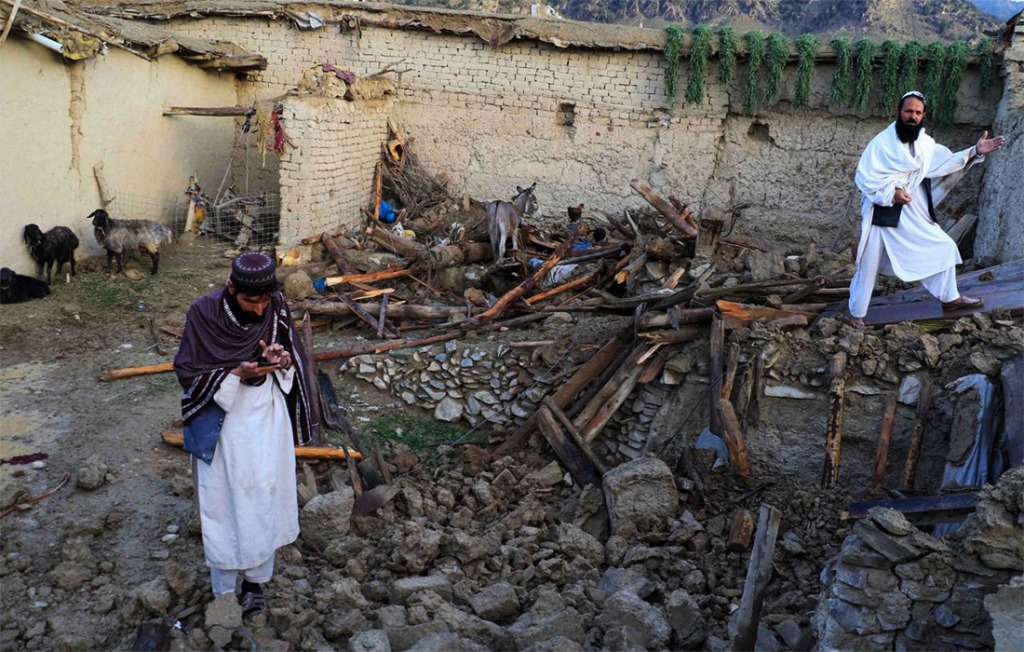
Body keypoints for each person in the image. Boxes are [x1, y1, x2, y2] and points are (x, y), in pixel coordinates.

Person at [173, 252, 314, 616]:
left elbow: (290, 356)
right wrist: (235, 374)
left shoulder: (275, 307)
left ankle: (255, 584)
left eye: (265, 300)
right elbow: (187, 371)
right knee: (223, 502)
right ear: (231, 287)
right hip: (224, 423)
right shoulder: (203, 314)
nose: (259, 308)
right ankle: (223, 591)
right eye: (252, 301)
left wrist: (281, 360)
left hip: (266, 418)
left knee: (264, 496)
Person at [847, 90, 1006, 329]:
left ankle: (951, 299)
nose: (913, 117)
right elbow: (864, 178)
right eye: (908, 111)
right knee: (869, 261)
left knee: (943, 246)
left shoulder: (925, 144)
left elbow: (946, 163)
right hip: (882, 208)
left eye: (918, 113)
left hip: (910, 208)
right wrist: (891, 193)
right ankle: (856, 315)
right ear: (899, 112)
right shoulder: (881, 143)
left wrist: (974, 151)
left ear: (923, 116)